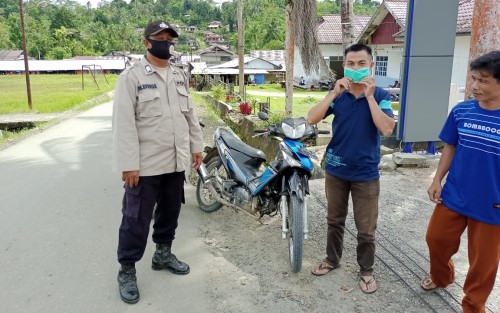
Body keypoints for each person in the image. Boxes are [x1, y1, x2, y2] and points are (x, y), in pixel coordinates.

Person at [112, 20, 204, 304]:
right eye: (159, 37)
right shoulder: (132, 78)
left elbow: (189, 116)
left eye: (169, 37)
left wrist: (196, 147)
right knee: (135, 220)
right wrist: (129, 164)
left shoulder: (178, 75)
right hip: (146, 165)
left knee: (170, 213)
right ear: (147, 43)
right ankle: (127, 270)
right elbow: (123, 124)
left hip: (175, 162)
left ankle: (162, 254)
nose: (166, 41)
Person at [306, 43, 395, 294]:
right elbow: (311, 118)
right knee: (334, 220)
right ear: (344, 66)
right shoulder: (339, 95)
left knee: (366, 229)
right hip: (336, 170)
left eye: (361, 63)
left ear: (371, 65)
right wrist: (333, 94)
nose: (355, 68)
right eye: (350, 64)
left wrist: (368, 96)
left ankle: (366, 270)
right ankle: (332, 259)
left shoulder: (381, 96)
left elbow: (387, 129)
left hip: (365, 174)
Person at [421, 51, 500, 313]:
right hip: (454, 194)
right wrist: (437, 180)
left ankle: (473, 305)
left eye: (484, 81)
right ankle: (442, 276)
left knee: (483, 262)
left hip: (493, 203)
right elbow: (450, 147)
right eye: (474, 79)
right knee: (436, 239)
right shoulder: (461, 110)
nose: (475, 86)